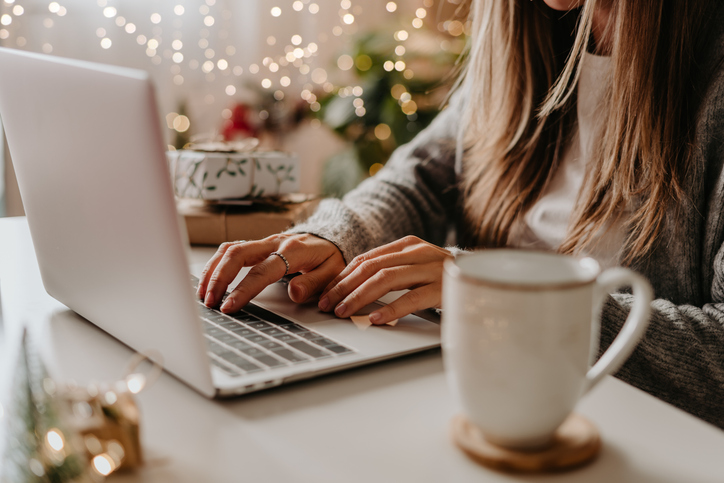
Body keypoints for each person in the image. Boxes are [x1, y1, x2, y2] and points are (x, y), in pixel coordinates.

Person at [197, 0, 724, 428]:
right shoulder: (533, 33)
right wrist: (336, 238)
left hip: (625, 429)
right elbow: (421, 176)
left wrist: (497, 296)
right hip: (475, 392)